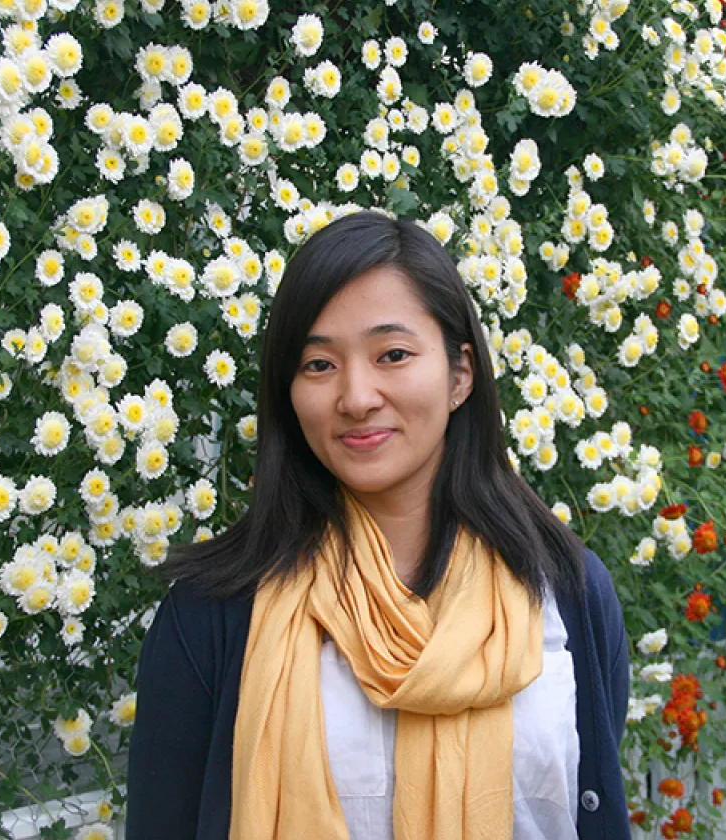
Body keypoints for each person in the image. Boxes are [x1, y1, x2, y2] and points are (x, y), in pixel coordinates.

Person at [125, 210, 631, 840]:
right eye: (319, 365)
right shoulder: (213, 618)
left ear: (460, 374)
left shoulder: (565, 595)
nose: (356, 396)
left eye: (392, 354)